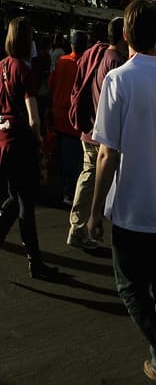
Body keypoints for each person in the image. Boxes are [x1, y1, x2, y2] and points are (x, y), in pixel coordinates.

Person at [87, 0, 156, 384]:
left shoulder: (118, 80)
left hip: (132, 210)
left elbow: (107, 153)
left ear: (125, 35)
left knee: (130, 287)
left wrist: (93, 210)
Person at [0, 17, 59, 279]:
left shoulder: (1, 66)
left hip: (3, 140)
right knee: (25, 202)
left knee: (14, 196)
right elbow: (34, 117)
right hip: (21, 142)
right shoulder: (25, 73)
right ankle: (35, 261)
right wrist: (39, 141)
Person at [68, 17, 128, 251]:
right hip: (99, 134)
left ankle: (81, 227)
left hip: (90, 129)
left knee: (90, 178)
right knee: (93, 179)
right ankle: (83, 227)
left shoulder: (100, 55)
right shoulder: (115, 62)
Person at [49, 31, 87, 207]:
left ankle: (64, 190)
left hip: (58, 115)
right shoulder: (84, 65)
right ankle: (69, 193)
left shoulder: (61, 62)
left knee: (63, 157)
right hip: (74, 120)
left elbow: (51, 84)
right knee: (74, 160)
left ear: (70, 45)